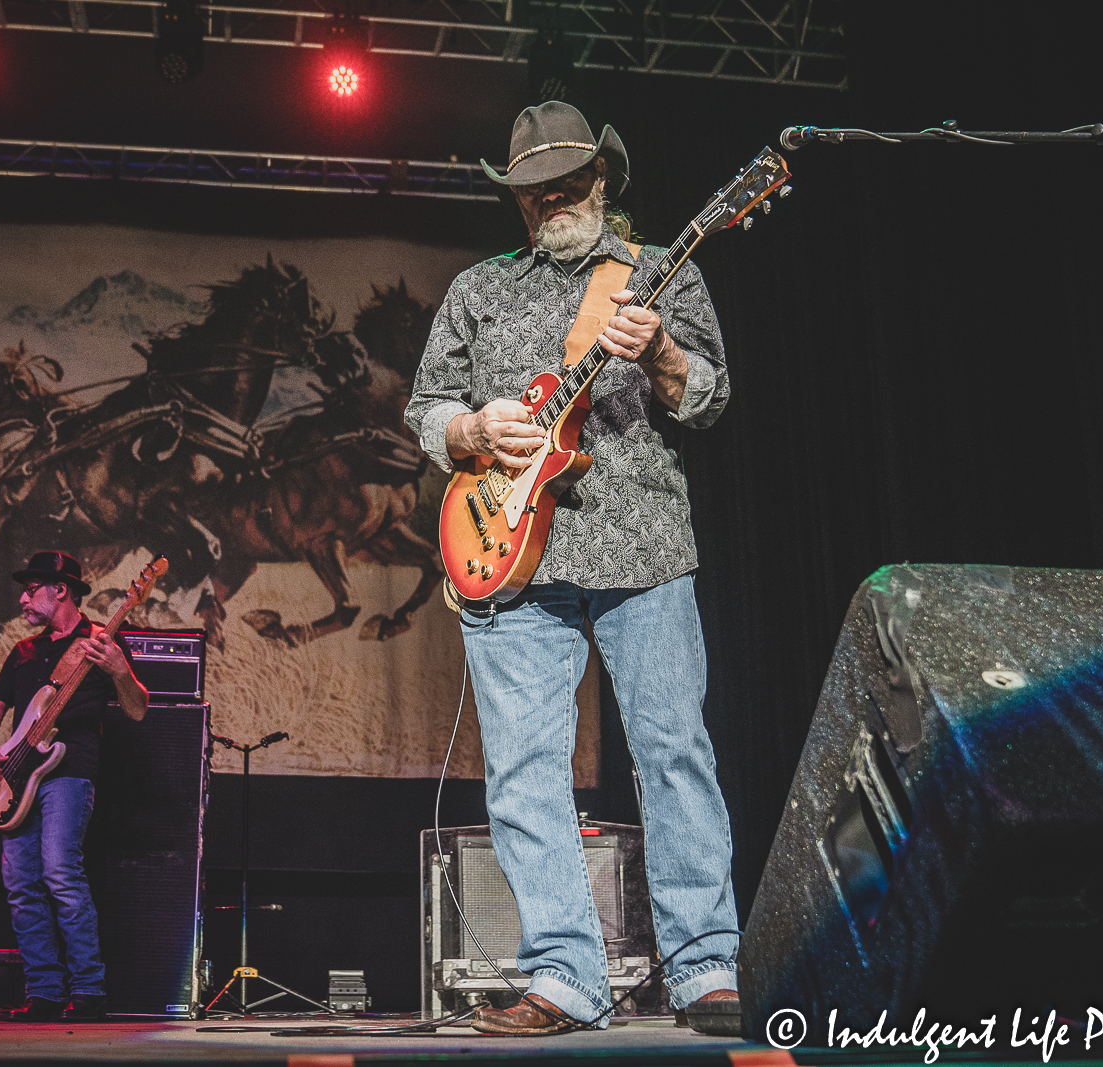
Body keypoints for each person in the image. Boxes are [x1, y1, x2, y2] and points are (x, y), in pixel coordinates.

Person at [404, 101, 739, 1036]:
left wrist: (666, 351)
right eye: (532, 191)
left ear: (603, 181)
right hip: (510, 554)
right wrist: (471, 428)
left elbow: (710, 399)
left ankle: (706, 962)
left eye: (567, 183)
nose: (551, 200)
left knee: (673, 753)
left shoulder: (662, 273)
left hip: (644, 545)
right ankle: (563, 976)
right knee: (522, 772)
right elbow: (425, 407)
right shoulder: (478, 288)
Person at [0, 551, 148, 1022]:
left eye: (32, 590)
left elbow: (137, 709)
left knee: (60, 874)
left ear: (61, 590)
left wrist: (119, 671)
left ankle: (89, 992)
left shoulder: (101, 643)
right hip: (16, 775)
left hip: (68, 773)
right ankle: (45, 993)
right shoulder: (24, 652)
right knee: (20, 885)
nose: (23, 599)